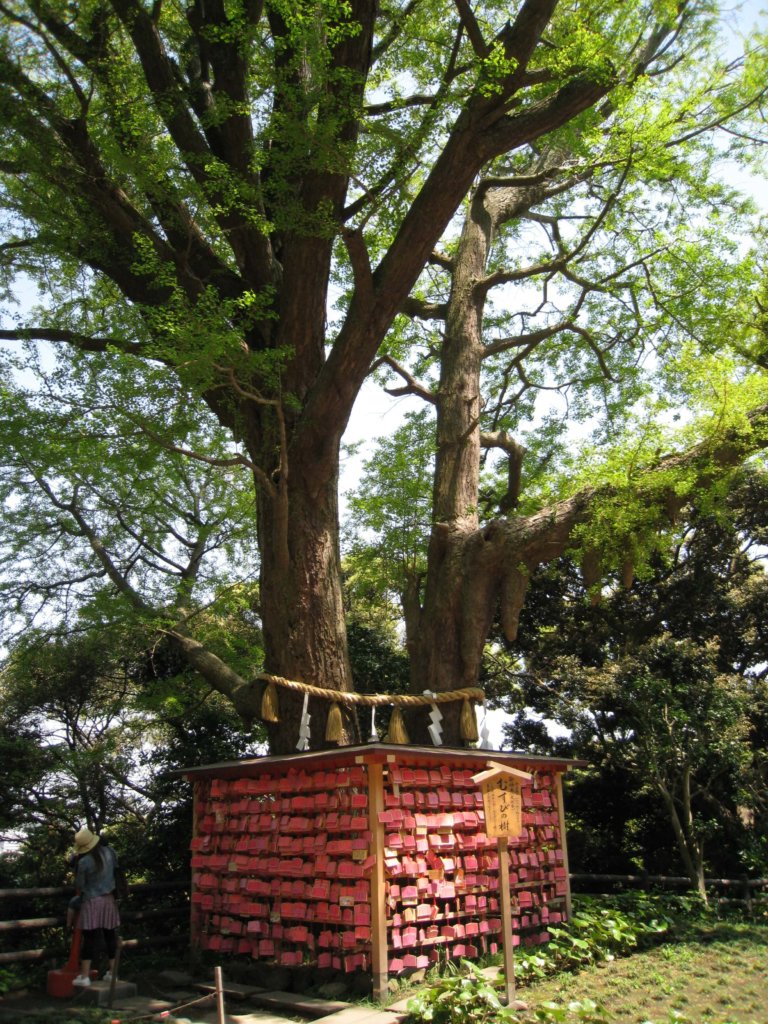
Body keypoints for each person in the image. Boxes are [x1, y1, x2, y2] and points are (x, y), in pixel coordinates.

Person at [68, 827, 121, 987]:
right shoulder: (110, 852)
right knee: (110, 935)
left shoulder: (84, 862)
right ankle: (113, 973)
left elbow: (80, 885)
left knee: (89, 938)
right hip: (108, 899)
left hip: (91, 901)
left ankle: (84, 976)